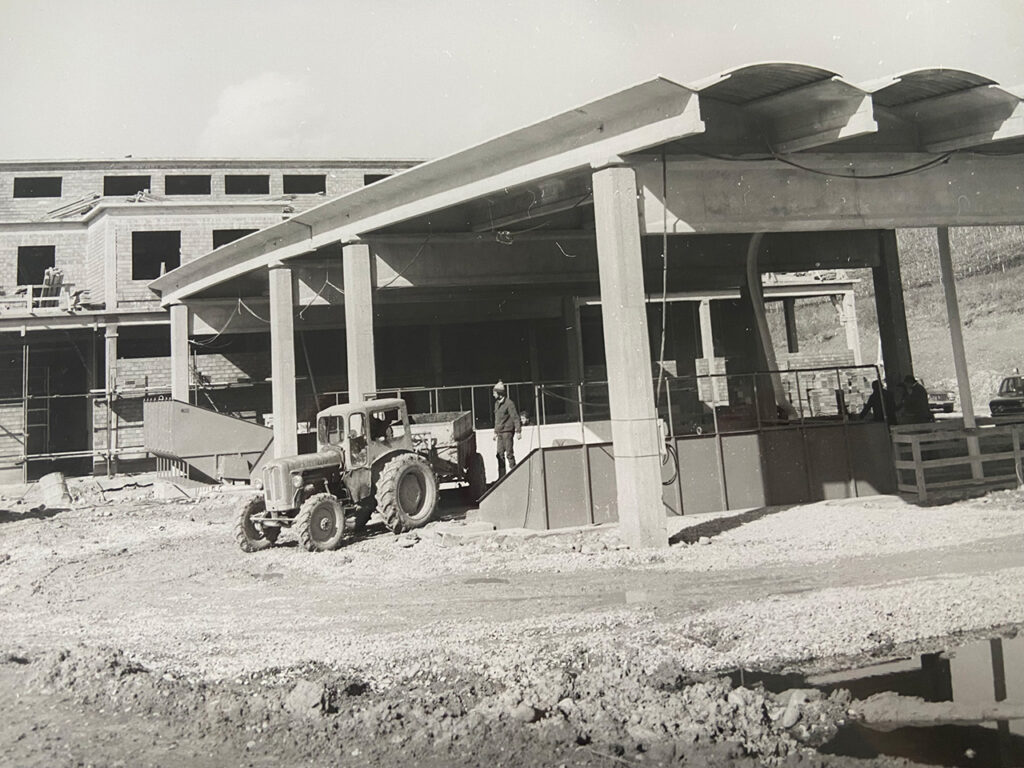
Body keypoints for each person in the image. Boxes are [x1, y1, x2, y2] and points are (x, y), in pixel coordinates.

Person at [492, 380, 521, 479]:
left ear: (499, 393)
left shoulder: (509, 403)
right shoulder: (496, 404)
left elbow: (515, 417)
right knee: (499, 454)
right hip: (500, 433)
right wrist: (495, 432)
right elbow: (497, 419)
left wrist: (518, 431)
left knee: (509, 454)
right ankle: (502, 477)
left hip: (507, 432)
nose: (493, 395)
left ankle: (514, 475)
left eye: (494, 393)